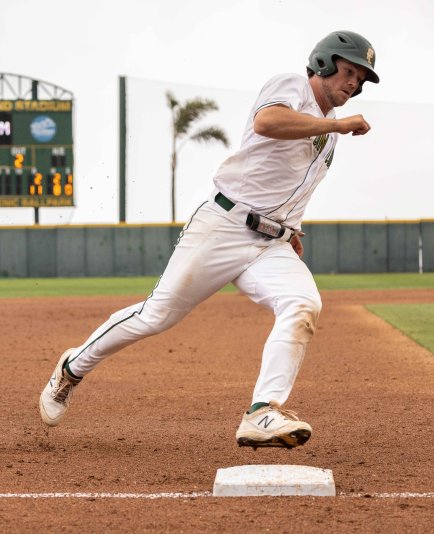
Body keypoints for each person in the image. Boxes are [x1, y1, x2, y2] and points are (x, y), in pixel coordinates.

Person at [39, 31, 379, 449]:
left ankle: (262, 412)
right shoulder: (291, 86)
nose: (354, 83)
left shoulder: (327, 140)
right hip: (223, 226)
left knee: (302, 304)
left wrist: (289, 228)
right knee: (157, 316)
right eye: (349, 71)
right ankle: (72, 367)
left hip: (270, 244)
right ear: (324, 64)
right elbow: (267, 122)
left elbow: (285, 181)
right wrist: (339, 123)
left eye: (361, 79)